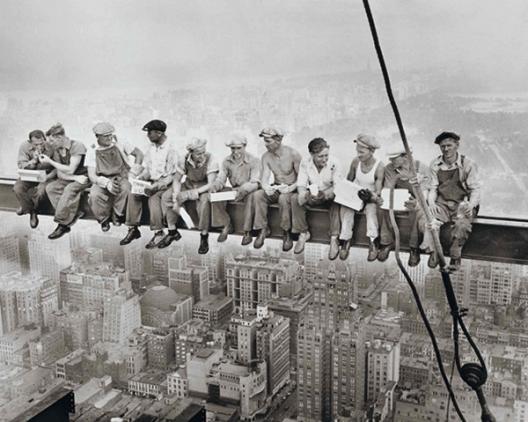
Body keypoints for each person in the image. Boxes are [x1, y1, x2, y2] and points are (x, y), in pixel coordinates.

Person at [427, 131, 481, 270]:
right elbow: (433, 188)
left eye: (449, 145)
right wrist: (431, 203)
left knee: (462, 225)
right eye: (442, 146)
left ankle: (455, 255)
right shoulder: (435, 164)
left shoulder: (467, 164)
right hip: (443, 202)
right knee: (431, 221)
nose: (446, 149)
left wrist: (471, 204)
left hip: (462, 203)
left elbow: (475, 189)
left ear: (457, 145)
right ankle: (434, 252)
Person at [120, 119, 177, 248]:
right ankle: (132, 228)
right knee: (133, 193)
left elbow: (171, 176)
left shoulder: (171, 149)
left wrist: (156, 186)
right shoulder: (151, 148)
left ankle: (158, 232)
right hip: (152, 181)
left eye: (150, 133)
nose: (148, 136)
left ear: (159, 133)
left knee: (153, 199)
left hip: (166, 184)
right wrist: (140, 179)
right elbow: (149, 170)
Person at [160, 137, 219, 254]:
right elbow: (177, 179)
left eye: (203, 152)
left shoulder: (211, 159)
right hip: (189, 184)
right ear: (191, 152)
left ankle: (204, 236)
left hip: (203, 187)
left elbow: (211, 183)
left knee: (204, 202)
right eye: (198, 154)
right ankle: (172, 231)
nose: (201, 156)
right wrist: (176, 195)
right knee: (167, 196)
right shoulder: (184, 159)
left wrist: (192, 194)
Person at [376, 145, 430, 266]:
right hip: (398, 199)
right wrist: (385, 198)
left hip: (416, 200)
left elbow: (425, 195)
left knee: (416, 211)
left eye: (394, 158)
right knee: (383, 207)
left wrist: (416, 201)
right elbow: (388, 189)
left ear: (405, 156)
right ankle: (387, 241)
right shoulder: (390, 168)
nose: (390, 161)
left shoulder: (422, 169)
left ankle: (414, 247)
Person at [86, 122, 144, 232]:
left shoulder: (120, 142)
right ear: (97, 137)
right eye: (105, 136)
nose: (109, 138)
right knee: (94, 195)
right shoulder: (92, 149)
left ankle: (118, 215)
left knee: (126, 189)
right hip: (102, 178)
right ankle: (104, 220)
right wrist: (106, 183)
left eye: (110, 135)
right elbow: (91, 175)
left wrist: (133, 173)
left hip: (121, 176)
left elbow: (139, 154)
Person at [291, 137, 341, 257]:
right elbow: (301, 185)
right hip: (313, 194)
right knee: (295, 199)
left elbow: (337, 186)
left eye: (326, 155)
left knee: (337, 201)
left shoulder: (335, 163)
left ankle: (334, 238)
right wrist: (305, 195)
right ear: (312, 154)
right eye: (320, 156)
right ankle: (303, 233)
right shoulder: (305, 162)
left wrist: (325, 195)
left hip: (329, 195)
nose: (324, 159)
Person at [253, 127, 302, 251]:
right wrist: (266, 187)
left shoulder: (293, 154)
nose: (265, 144)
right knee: (258, 195)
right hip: (277, 186)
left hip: (292, 189)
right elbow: (264, 178)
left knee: (283, 198)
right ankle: (263, 229)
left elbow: (302, 179)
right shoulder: (266, 157)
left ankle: (286, 233)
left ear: (278, 140)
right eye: (265, 141)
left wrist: (290, 187)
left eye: (268, 141)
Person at [40, 123, 91, 239]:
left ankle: (62, 224)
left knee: (69, 189)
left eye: (52, 141)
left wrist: (50, 162)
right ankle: (75, 213)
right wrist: (74, 178)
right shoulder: (57, 150)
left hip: (84, 177)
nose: (50, 144)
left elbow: (70, 169)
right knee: (51, 188)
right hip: (73, 178)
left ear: (59, 138)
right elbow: (60, 173)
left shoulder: (77, 146)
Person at [339, 134, 384, 261]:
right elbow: (349, 180)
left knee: (371, 212)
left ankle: (373, 241)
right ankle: (346, 240)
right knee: (347, 209)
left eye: (362, 152)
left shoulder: (379, 167)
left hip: (370, 197)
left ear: (371, 151)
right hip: (356, 194)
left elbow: (379, 191)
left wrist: (370, 196)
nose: (359, 155)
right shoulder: (355, 162)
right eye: (357, 151)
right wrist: (346, 193)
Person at [209, 134, 261, 245]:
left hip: (249, 189)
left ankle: (247, 231)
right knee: (217, 195)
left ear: (245, 146)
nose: (235, 151)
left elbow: (255, 182)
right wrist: (215, 186)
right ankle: (226, 224)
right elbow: (221, 179)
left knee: (251, 197)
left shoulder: (254, 160)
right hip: (235, 190)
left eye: (239, 148)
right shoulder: (226, 161)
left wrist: (243, 189)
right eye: (233, 148)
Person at [14, 129, 56, 228]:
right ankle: (31, 210)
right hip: (29, 174)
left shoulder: (51, 147)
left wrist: (48, 175)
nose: (39, 146)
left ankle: (26, 208)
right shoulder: (24, 146)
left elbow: (57, 166)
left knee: (41, 192)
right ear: (30, 142)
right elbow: (21, 165)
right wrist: (33, 161)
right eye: (36, 144)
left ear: (44, 140)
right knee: (17, 188)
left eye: (41, 143)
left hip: (45, 176)